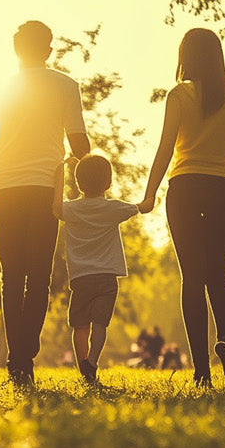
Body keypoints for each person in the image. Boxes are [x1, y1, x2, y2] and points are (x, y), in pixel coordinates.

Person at [135, 28, 225, 387]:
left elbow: (166, 146)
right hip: (224, 190)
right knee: (218, 275)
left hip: (185, 189)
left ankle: (202, 370)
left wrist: (149, 193)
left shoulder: (179, 94)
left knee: (192, 279)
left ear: (186, 56)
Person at [0, 20, 90, 387]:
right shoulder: (66, 86)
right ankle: (23, 355)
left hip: (8, 190)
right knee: (39, 277)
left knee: (12, 275)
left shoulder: (1, 89)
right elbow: (80, 146)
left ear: (16, 50)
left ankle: (18, 357)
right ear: (49, 50)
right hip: (45, 192)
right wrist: (78, 163)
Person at [54, 153, 150, 386]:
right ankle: (93, 362)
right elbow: (144, 207)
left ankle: (83, 368)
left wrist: (58, 174)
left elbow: (55, 208)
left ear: (78, 183)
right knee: (100, 324)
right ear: (108, 182)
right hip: (107, 277)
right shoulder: (114, 209)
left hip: (80, 277)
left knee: (79, 325)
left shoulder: (71, 210)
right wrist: (151, 193)